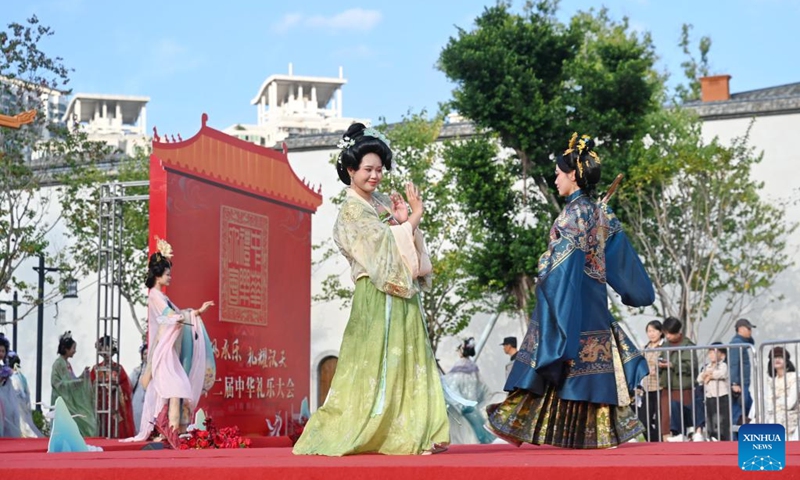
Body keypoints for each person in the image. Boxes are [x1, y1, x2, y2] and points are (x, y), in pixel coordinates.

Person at [486, 133, 654, 449]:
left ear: (573, 175)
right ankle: (598, 434)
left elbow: (559, 264)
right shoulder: (602, 213)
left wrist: (544, 264)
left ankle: (520, 426)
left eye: (558, 174)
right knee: (590, 368)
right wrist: (637, 293)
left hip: (571, 298)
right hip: (593, 299)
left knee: (553, 358)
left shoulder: (573, 213)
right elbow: (622, 262)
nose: (555, 179)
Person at [293, 123, 449, 456]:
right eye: (368, 169)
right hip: (378, 294)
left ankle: (411, 431)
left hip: (398, 292)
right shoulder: (351, 211)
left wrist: (403, 219)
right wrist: (412, 221)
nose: (375, 175)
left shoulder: (377, 204)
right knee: (377, 363)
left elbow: (398, 242)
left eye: (379, 169)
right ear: (351, 170)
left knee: (405, 360)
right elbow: (379, 249)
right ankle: (379, 431)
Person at [123, 237, 216, 441]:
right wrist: (185, 316)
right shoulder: (154, 296)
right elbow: (169, 315)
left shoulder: (161, 296)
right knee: (175, 388)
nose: (170, 277)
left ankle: (170, 432)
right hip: (163, 352)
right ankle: (169, 432)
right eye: (167, 274)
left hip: (168, 351)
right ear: (158, 275)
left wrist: (196, 312)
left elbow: (176, 313)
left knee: (175, 389)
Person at [443, 338, 496, 444]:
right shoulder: (473, 368)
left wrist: (459, 402)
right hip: (473, 407)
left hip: (461, 407)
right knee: (478, 429)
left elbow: (452, 385)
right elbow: (482, 388)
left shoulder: (458, 368)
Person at [51, 331, 97, 437]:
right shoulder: (58, 364)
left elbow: (72, 380)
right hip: (63, 400)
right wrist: (78, 381)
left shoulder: (67, 364)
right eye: (73, 348)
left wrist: (83, 376)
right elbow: (56, 383)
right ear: (66, 349)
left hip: (69, 399)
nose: (75, 351)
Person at [658, 316, 697, 442]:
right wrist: (659, 365)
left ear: (677, 332)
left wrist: (673, 365)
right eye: (666, 333)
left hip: (682, 388)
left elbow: (691, 365)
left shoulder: (688, 345)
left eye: (669, 333)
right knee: (665, 419)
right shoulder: (665, 345)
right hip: (667, 386)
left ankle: (685, 439)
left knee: (683, 417)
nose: (667, 336)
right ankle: (667, 442)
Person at [90, 335, 135, 438]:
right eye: (102, 348)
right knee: (102, 426)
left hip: (115, 405)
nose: (105, 351)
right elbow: (90, 388)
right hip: (101, 406)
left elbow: (126, 387)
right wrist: (97, 386)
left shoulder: (118, 368)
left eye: (107, 347)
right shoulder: (96, 369)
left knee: (117, 427)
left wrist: (118, 388)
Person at [636, 320, 664, 442]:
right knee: (642, 419)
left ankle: (660, 443)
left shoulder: (664, 347)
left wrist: (657, 367)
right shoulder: (645, 348)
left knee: (660, 419)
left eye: (654, 331)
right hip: (647, 388)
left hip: (661, 387)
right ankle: (654, 441)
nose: (651, 334)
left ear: (660, 332)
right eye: (649, 331)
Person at [697, 343, 730, 441]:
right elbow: (699, 378)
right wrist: (706, 375)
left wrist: (709, 376)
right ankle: (711, 435)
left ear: (722, 355)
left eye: (714, 352)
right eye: (710, 353)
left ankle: (721, 437)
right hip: (710, 396)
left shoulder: (723, 365)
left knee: (720, 418)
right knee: (710, 417)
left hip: (721, 396)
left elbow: (721, 374)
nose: (711, 355)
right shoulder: (707, 367)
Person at [763, 346, 798, 440]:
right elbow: (769, 405)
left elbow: (790, 403)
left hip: (791, 419)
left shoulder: (794, 377)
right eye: (774, 357)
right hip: (774, 418)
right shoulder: (772, 381)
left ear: (786, 361)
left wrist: (777, 400)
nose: (777, 359)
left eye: (780, 357)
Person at [7, 352, 43, 437]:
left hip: (17, 407)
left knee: (22, 426)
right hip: (23, 405)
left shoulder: (12, 378)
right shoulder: (21, 376)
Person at [729, 318, 755, 431]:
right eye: (748, 328)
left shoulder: (743, 343)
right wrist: (734, 383)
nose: (750, 331)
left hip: (743, 385)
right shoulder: (736, 344)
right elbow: (733, 364)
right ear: (740, 329)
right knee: (739, 414)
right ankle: (736, 441)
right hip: (739, 385)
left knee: (749, 412)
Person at [129, 343, 148, 434]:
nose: (147, 356)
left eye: (149, 353)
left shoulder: (158, 370)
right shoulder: (137, 371)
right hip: (138, 400)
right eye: (145, 354)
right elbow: (129, 385)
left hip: (151, 400)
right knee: (137, 420)